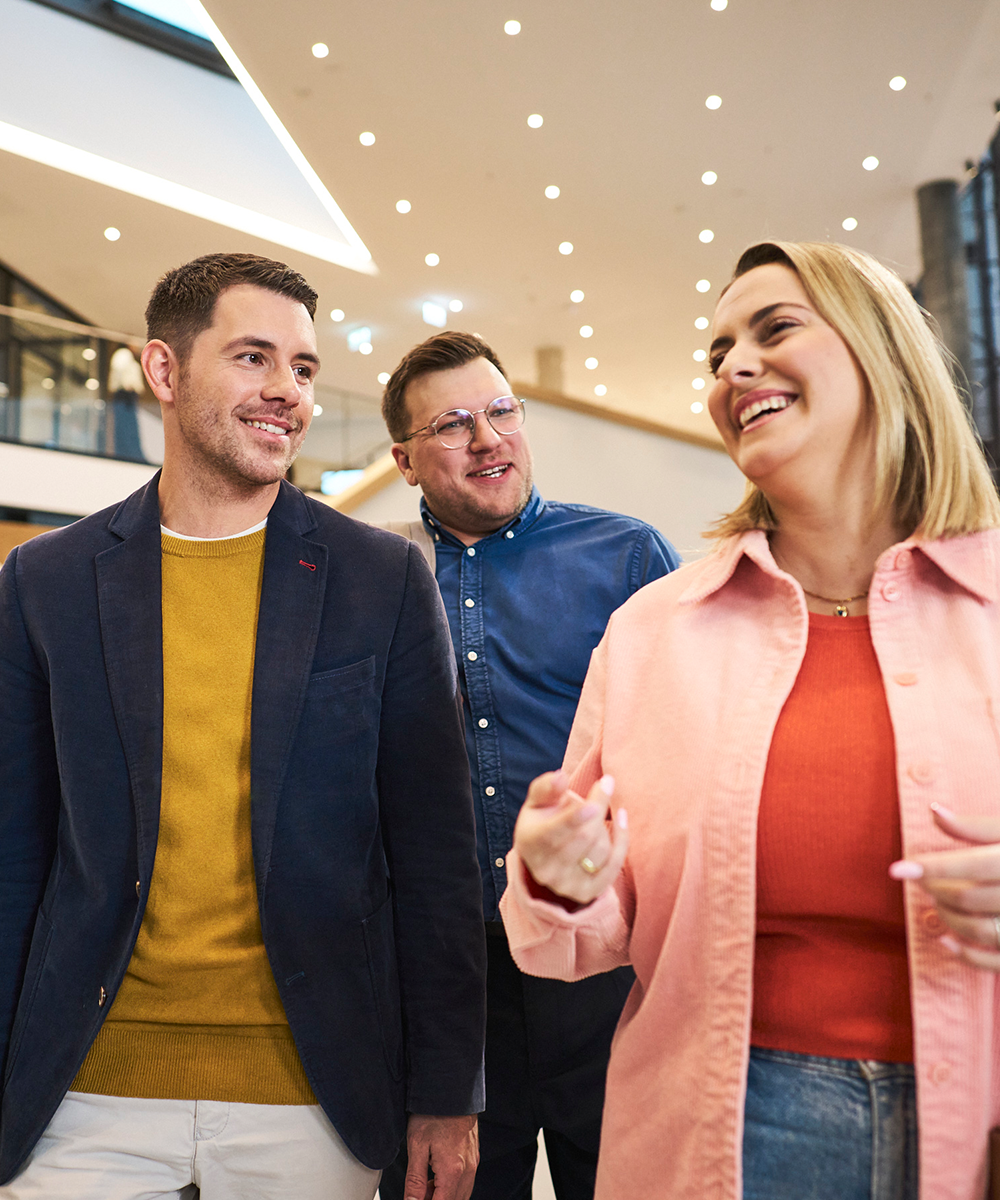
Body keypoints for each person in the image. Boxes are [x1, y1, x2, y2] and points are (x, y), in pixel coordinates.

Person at [502, 241, 1000, 1200]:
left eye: (775, 329)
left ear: (883, 353)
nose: (733, 367)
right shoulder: (655, 630)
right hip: (726, 1135)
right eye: (718, 351)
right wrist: (558, 878)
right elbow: (579, 937)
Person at [0, 253, 486, 1200]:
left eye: (304, 368)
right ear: (165, 371)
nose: (288, 394)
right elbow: (15, 851)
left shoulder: (381, 579)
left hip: (314, 1091)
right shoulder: (44, 582)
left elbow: (434, 854)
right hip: (85, 1088)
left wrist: (446, 1092)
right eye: (254, 358)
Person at [375, 331, 680, 1200]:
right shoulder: (379, 578)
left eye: (502, 411)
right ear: (403, 458)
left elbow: (678, 749)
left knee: (622, 1179)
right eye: (454, 424)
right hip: (450, 974)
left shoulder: (627, 557)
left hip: (602, 955)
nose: (489, 438)